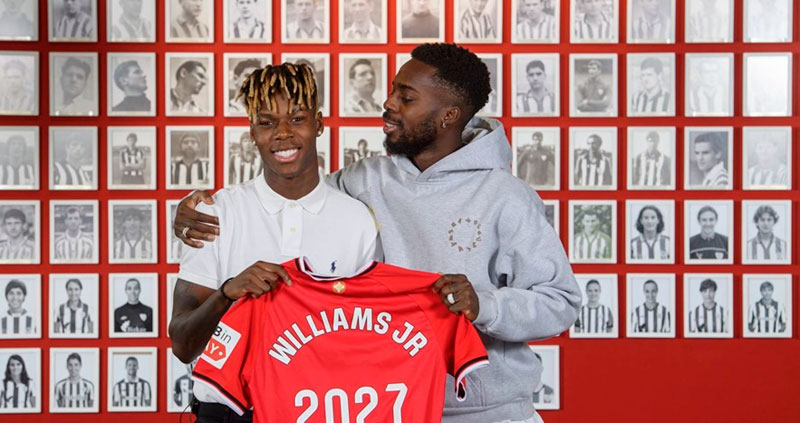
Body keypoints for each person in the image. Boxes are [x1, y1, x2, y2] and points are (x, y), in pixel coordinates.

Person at [175, 44, 581, 423]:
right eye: (392, 91)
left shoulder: (507, 197)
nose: (388, 104)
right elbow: (296, 188)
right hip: (391, 406)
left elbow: (560, 302)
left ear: (448, 115)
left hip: (489, 412)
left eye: (406, 98)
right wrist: (195, 210)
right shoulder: (364, 181)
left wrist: (485, 305)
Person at [170, 62, 378, 423]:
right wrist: (227, 294)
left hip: (322, 410)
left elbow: (368, 340)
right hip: (229, 413)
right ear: (252, 132)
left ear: (318, 123)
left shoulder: (356, 219)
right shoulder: (215, 214)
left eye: (297, 119)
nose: (282, 133)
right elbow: (183, 345)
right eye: (267, 122)